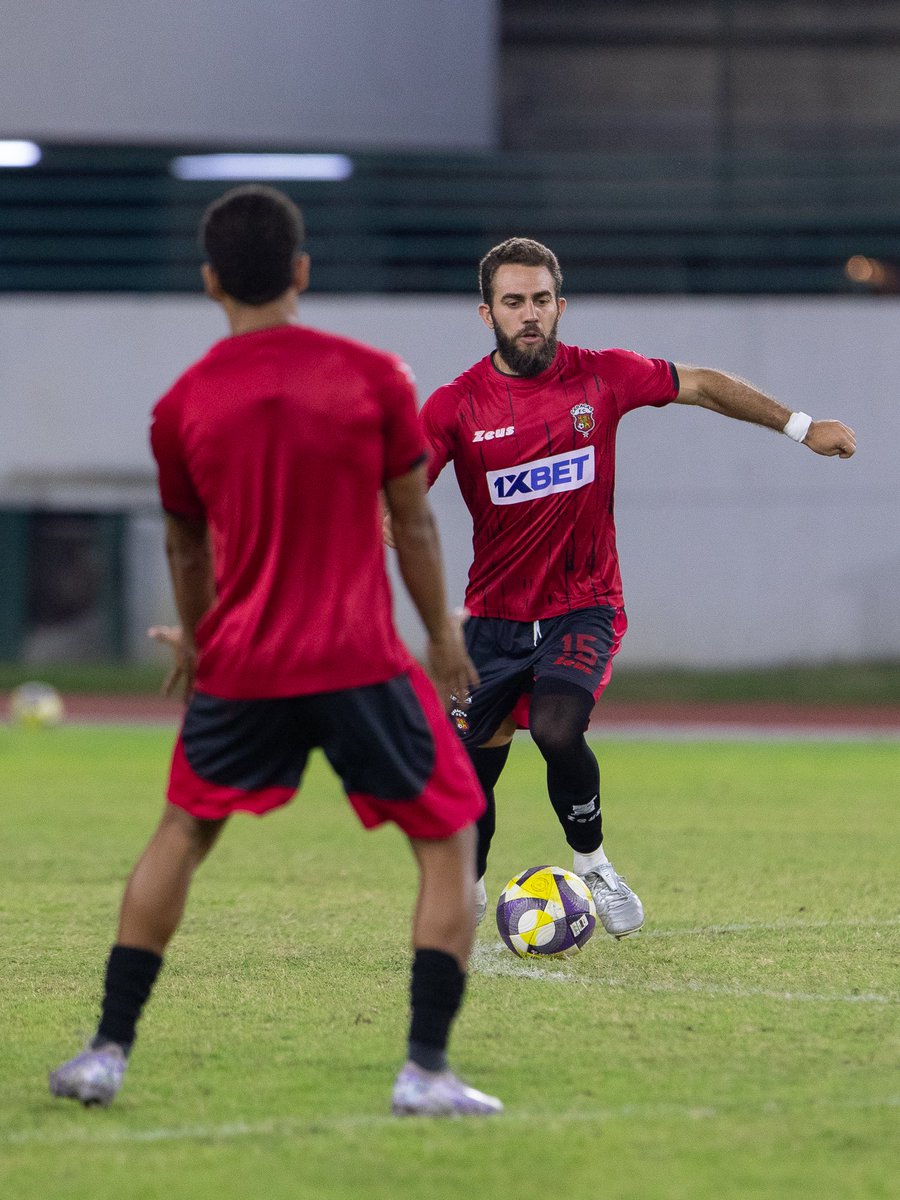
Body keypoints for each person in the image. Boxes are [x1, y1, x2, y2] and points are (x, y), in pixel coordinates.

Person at [48, 185, 503, 1118]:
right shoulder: (376, 376)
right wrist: (444, 636)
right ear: (301, 270)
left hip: (245, 667)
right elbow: (412, 525)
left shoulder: (180, 406)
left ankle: (105, 1053)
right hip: (360, 660)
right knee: (449, 838)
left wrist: (205, 639)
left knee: (183, 830)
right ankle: (423, 1070)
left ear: (210, 279)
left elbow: (184, 546)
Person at [412, 236, 856, 937]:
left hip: (584, 605)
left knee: (559, 728)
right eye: (512, 302)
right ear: (486, 313)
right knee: (470, 775)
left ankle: (592, 865)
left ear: (561, 305)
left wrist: (802, 427)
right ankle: (467, 888)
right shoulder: (455, 406)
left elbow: (703, 384)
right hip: (493, 620)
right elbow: (404, 482)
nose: (528, 314)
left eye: (539, 300)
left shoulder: (604, 377)